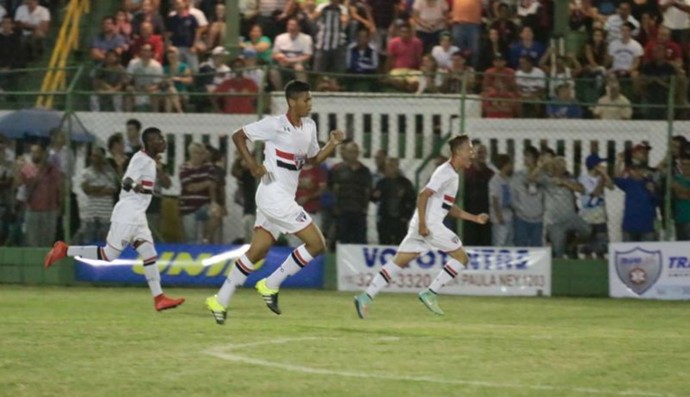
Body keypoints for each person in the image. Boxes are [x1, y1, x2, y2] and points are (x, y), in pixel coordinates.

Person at [205, 80, 345, 325]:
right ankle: (271, 284)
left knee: (258, 251)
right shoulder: (274, 125)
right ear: (292, 102)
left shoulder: (309, 126)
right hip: (273, 194)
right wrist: (252, 164)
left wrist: (332, 144)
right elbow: (238, 136)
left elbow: (312, 160)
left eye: (310, 99)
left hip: (281, 196)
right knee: (317, 243)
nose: (310, 104)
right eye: (306, 100)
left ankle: (220, 299)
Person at [44, 127, 185, 312]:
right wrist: (138, 188)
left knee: (149, 253)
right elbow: (126, 181)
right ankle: (65, 250)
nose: (163, 141)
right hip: (128, 213)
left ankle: (159, 298)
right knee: (108, 255)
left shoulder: (149, 161)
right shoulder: (140, 159)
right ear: (150, 142)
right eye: (159, 139)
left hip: (137, 214)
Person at [353, 135, 489, 318]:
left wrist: (474, 218)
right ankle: (430, 293)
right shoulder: (446, 173)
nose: (472, 154)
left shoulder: (452, 175)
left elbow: (448, 207)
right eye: (469, 149)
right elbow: (423, 195)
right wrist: (425, 225)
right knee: (461, 258)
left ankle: (365, 297)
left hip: (422, 223)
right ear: (458, 152)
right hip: (429, 225)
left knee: (398, 262)